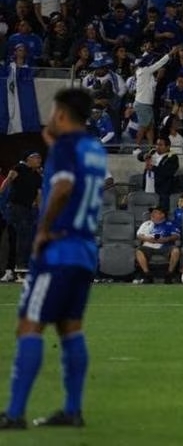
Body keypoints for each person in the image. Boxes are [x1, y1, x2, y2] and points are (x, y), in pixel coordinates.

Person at [1, 88, 107, 430]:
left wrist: (43, 231)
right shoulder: (93, 149)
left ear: (62, 114)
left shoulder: (63, 149)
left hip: (59, 248)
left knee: (30, 325)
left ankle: (14, 413)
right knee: (70, 327)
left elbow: (61, 188)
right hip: (84, 250)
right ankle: (72, 409)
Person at [0, 152, 43, 283]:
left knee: (21, 238)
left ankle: (14, 271)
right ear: (28, 159)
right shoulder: (18, 168)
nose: (39, 160)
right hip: (15, 207)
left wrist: (40, 211)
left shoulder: (37, 176)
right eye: (36, 158)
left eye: (40, 158)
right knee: (17, 238)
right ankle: (16, 271)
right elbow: (8, 181)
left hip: (27, 209)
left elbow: (38, 195)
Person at [133, 206, 181, 284]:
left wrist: (166, 239)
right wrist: (148, 239)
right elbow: (139, 235)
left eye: (155, 212)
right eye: (152, 212)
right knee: (138, 251)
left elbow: (176, 235)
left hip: (165, 246)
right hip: (148, 246)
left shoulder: (170, 224)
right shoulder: (146, 223)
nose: (152, 214)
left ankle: (169, 274)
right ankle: (147, 274)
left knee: (176, 251)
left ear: (162, 215)